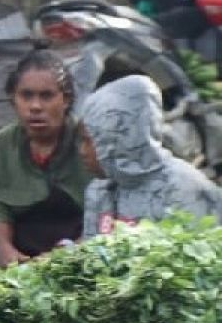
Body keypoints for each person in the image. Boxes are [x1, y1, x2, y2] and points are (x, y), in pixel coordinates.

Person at [0, 50, 94, 277]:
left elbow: (105, 212)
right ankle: (32, 272)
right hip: (23, 246)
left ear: (66, 99)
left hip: (76, 246)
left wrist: (72, 251)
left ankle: (41, 273)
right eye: (26, 96)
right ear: (13, 99)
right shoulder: (0, 145)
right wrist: (5, 248)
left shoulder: (87, 142)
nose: (35, 107)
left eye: (46, 96)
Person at [80, 74, 222, 236]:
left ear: (118, 139)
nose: (82, 151)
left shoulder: (182, 189)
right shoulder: (99, 191)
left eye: (88, 141)